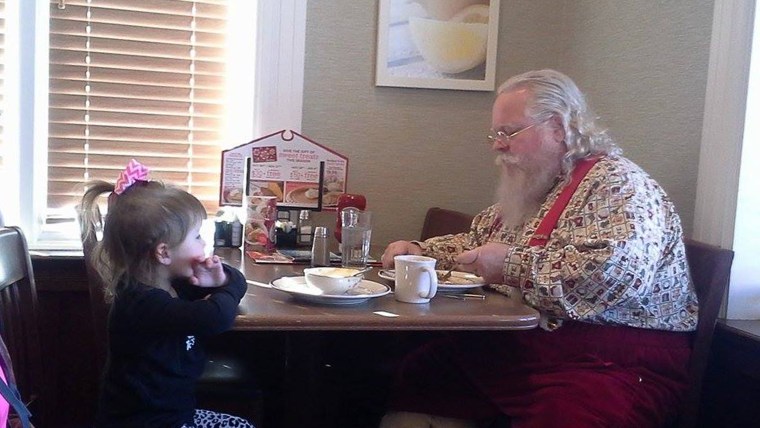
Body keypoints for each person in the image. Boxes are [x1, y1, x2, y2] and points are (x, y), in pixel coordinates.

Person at [379, 69, 698, 428]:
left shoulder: (620, 185)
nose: (498, 144)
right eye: (495, 135)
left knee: (567, 416)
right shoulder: (539, 185)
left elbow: (613, 276)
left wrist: (510, 265)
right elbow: (476, 242)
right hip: (533, 347)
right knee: (423, 371)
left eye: (509, 132)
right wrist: (418, 251)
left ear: (558, 127)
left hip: (612, 361)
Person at [80, 160, 254, 428]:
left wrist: (222, 278)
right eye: (196, 237)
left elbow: (236, 283)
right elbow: (215, 317)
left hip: (172, 417)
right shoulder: (142, 303)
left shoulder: (171, 285)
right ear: (164, 252)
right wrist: (227, 288)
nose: (204, 244)